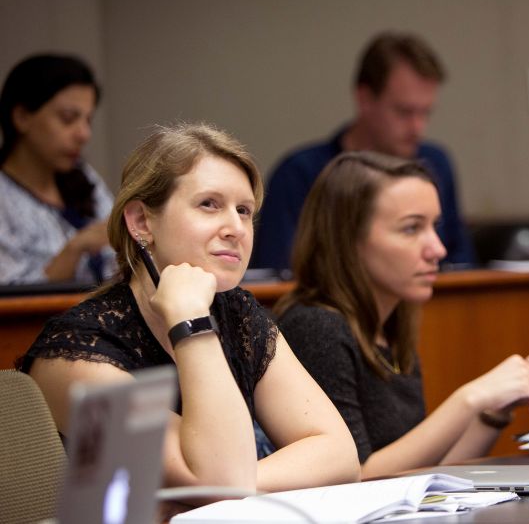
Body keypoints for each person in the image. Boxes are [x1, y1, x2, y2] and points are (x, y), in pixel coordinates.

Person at [17, 123, 360, 492]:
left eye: (244, 210)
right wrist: (191, 322)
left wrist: (230, 486)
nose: (236, 228)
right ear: (141, 221)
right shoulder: (74, 354)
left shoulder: (237, 313)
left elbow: (340, 455)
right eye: (209, 204)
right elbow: (220, 477)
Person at [273, 151, 529, 478]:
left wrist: (494, 410)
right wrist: (470, 398)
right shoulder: (315, 326)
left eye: (434, 226)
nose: (438, 249)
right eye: (412, 228)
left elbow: (426, 473)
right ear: (348, 239)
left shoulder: (391, 326)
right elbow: (354, 475)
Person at [251, 31, 475, 272]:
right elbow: (277, 275)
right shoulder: (300, 173)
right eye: (404, 112)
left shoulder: (435, 163)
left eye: (426, 112)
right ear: (365, 99)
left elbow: (459, 263)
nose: (418, 127)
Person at [0, 54, 116, 284]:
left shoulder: (82, 175)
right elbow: (11, 299)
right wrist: (76, 248)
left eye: (87, 121)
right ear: (22, 117)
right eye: (68, 119)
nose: (84, 134)